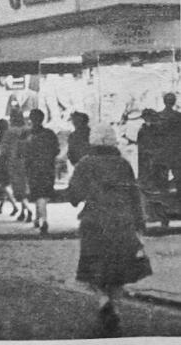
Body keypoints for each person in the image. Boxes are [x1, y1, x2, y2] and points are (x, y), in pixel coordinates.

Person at [68, 121, 150, 337]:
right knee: (120, 271)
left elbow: (73, 197)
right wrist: (140, 222)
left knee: (93, 268)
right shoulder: (123, 164)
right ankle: (115, 309)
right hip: (122, 221)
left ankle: (104, 301)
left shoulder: (85, 163)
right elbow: (134, 194)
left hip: (94, 221)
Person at [24, 108, 60, 235]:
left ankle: (41, 219)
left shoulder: (28, 135)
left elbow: (23, 153)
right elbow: (57, 150)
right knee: (43, 195)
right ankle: (39, 218)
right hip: (47, 168)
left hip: (33, 169)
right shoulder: (50, 134)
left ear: (31, 119)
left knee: (37, 194)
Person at [0, 119, 18, 216]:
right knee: (5, 186)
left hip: (3, 164)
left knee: (5, 186)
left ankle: (15, 206)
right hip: (12, 164)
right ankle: (1, 207)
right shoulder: (12, 136)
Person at [157, 92, 181, 195]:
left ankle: (163, 201)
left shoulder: (158, 116)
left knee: (162, 179)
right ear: (174, 102)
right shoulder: (179, 116)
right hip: (176, 150)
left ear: (164, 101)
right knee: (178, 176)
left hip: (162, 150)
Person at [137, 109, 166, 190]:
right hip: (146, 153)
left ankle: (152, 185)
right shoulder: (143, 129)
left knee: (152, 169)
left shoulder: (154, 128)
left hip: (153, 153)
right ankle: (148, 185)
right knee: (147, 168)